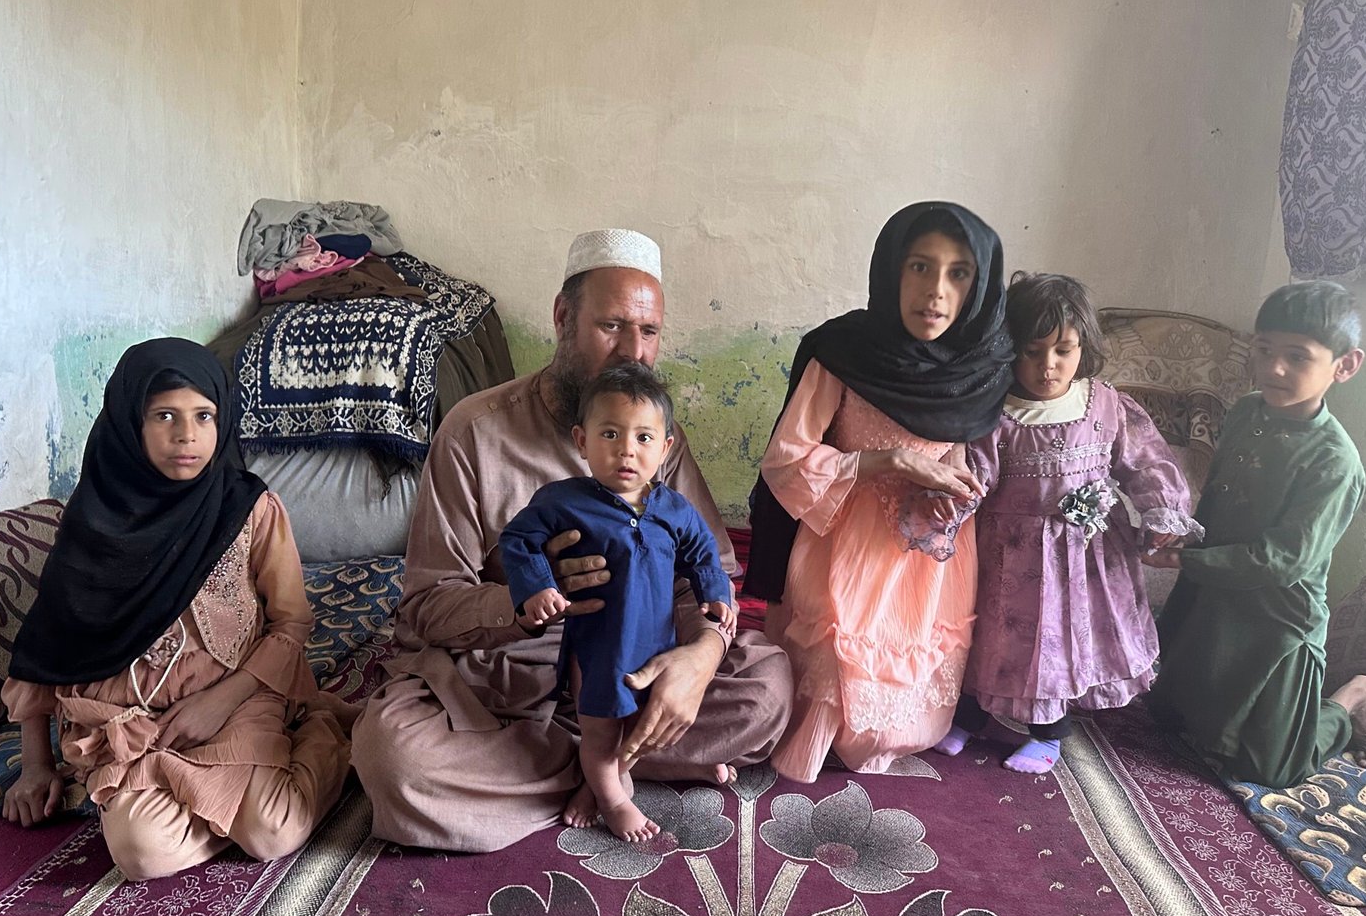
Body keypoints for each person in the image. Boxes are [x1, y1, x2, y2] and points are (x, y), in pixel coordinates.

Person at [351, 229, 792, 853]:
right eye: (612, 326)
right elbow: (424, 607)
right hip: (510, 678)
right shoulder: (475, 432)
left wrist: (700, 660)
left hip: (637, 661)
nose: (633, 353)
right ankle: (618, 765)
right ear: (563, 317)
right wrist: (523, 604)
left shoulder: (654, 437)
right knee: (396, 758)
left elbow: (709, 569)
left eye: (649, 333)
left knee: (768, 686)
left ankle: (591, 767)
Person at [1, 338, 354, 881]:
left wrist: (218, 701)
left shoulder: (248, 509)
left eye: (204, 416)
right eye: (164, 415)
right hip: (131, 719)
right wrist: (35, 764)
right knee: (141, 854)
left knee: (273, 831)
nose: (187, 436)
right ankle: (219, 794)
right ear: (127, 423)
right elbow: (48, 645)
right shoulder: (94, 520)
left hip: (233, 699)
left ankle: (318, 724)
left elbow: (291, 621)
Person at [744, 202, 1014, 782]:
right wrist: (888, 460)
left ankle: (896, 733)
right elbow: (785, 459)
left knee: (911, 645)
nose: (935, 291)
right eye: (919, 266)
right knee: (839, 657)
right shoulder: (843, 352)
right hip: (844, 537)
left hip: (929, 551)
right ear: (891, 268)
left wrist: (953, 496)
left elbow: (965, 457)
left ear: (981, 282)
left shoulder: (983, 366)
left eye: (958, 273)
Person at [940, 273, 1201, 773]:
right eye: (1032, 351)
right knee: (995, 638)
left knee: (1061, 643)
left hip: (1088, 560)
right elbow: (972, 479)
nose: (1048, 366)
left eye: (1063, 350)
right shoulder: (996, 413)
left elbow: (1144, 462)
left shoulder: (1104, 404)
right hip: (1010, 559)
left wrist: (1160, 509)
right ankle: (969, 713)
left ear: (1085, 347)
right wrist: (942, 520)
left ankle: (1049, 733)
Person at [1146, 281, 1366, 786]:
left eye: (1298, 356)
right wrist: (1185, 538)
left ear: (1344, 366)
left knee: (1270, 768)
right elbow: (1216, 500)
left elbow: (1286, 561)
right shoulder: (1245, 412)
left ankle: (1352, 700)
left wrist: (1189, 562)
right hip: (1213, 592)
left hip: (1278, 615)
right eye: (1264, 351)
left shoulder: (1335, 461)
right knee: (1167, 717)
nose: (1274, 369)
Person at [501, 364, 737, 841]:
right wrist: (538, 587)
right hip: (602, 648)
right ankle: (611, 798)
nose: (627, 449)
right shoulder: (561, 501)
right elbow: (518, 541)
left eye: (644, 438)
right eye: (610, 434)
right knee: (602, 730)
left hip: (661, 648)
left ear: (666, 447)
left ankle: (607, 777)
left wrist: (716, 593)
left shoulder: (673, 508)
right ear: (582, 440)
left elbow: (703, 552)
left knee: (655, 716)